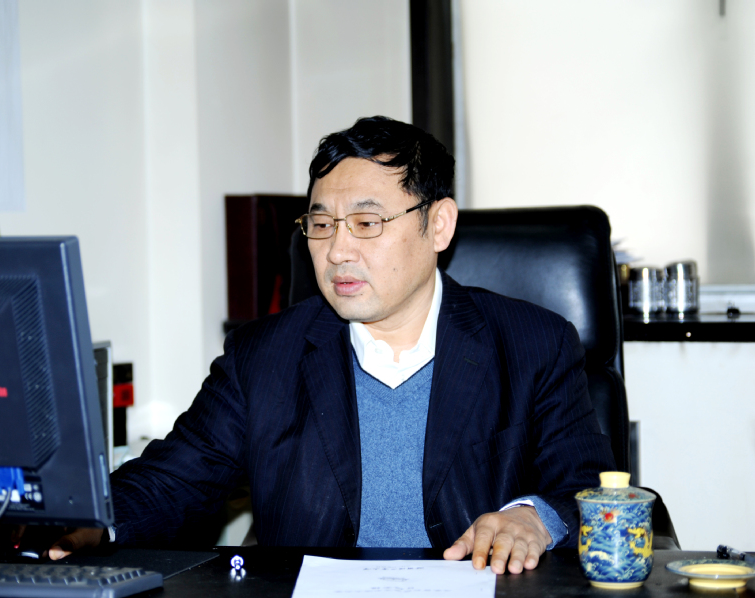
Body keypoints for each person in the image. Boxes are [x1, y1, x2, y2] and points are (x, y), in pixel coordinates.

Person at [46, 116, 614, 574]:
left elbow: (591, 489)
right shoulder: (262, 356)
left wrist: (533, 518)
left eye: (366, 223)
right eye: (321, 225)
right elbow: (173, 481)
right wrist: (85, 520)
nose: (338, 250)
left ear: (439, 225)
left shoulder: (532, 344)